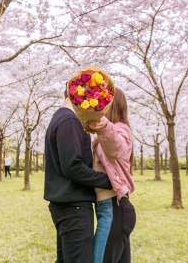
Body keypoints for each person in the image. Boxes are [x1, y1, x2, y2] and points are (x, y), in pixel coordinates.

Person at [44, 88, 112, 263]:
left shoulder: (61, 118)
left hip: (66, 205)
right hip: (73, 207)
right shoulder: (69, 120)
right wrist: (109, 181)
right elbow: (72, 166)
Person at [89, 88, 136, 263]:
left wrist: (104, 127)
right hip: (112, 208)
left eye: (104, 103)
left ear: (113, 105)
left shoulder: (120, 130)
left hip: (115, 209)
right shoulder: (108, 132)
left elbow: (117, 149)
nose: (99, 107)